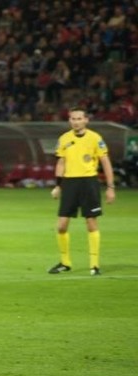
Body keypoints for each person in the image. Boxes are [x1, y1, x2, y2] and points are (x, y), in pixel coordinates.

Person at [49, 107, 116, 276]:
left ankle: (94, 265)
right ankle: (65, 262)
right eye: (73, 118)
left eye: (79, 118)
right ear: (69, 120)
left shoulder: (95, 138)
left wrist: (110, 187)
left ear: (86, 120)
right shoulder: (64, 139)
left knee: (91, 222)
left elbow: (105, 162)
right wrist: (58, 185)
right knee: (62, 225)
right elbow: (61, 163)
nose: (76, 121)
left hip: (89, 182)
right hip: (70, 183)